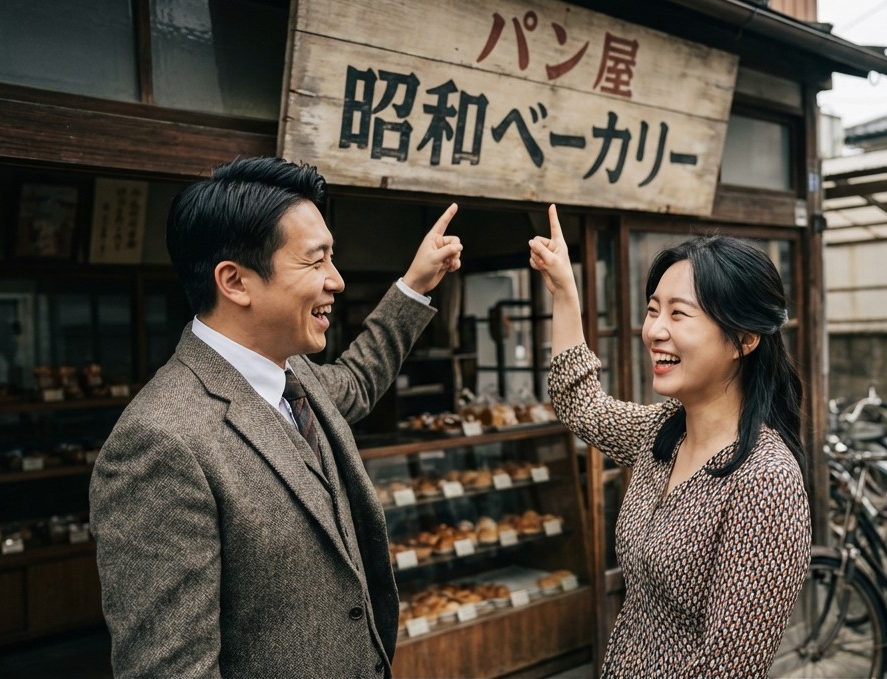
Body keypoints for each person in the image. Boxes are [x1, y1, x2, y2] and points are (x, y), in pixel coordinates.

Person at [89, 157, 463, 679]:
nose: (336, 280)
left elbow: (355, 382)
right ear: (235, 282)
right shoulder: (159, 441)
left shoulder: (296, 376)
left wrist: (416, 284)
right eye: (316, 262)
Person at [529, 205, 810, 678]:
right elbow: (582, 405)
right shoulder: (664, 433)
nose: (654, 330)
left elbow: (728, 669)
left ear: (744, 338)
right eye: (653, 309)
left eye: (679, 314)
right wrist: (564, 292)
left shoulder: (766, 483)